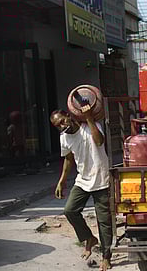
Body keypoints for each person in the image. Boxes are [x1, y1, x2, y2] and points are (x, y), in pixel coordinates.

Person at [50, 108, 112, 271]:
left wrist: (89, 118)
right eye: (57, 125)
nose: (62, 126)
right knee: (70, 210)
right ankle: (89, 238)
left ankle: (106, 257)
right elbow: (69, 159)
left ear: (68, 116)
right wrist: (62, 181)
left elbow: (99, 142)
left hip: (101, 179)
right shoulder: (64, 138)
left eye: (62, 121)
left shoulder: (91, 126)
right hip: (83, 180)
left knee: (103, 221)